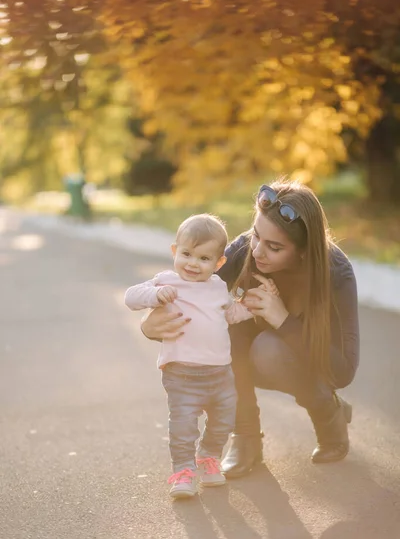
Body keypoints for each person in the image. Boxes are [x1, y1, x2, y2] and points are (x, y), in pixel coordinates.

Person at [141, 180, 360, 479]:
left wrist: (282, 318)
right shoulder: (247, 248)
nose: (257, 251)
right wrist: (150, 327)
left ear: (303, 252)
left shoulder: (336, 272)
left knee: (269, 349)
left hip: (301, 360)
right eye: (256, 235)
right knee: (225, 331)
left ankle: (328, 414)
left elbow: (343, 371)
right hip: (246, 357)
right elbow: (189, 298)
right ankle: (246, 438)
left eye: (275, 247)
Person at [125, 213, 256, 498]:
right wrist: (154, 296)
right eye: (186, 254)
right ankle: (183, 471)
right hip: (181, 373)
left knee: (224, 420)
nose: (193, 264)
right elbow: (131, 297)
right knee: (184, 426)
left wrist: (250, 306)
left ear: (219, 263)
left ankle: (208, 458)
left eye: (204, 258)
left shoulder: (219, 288)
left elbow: (230, 315)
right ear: (175, 251)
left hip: (220, 372)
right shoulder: (167, 281)